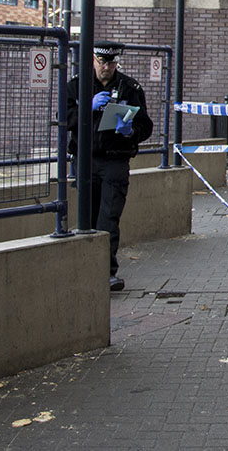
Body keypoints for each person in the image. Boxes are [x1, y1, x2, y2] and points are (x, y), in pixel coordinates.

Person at [66, 41, 154, 292]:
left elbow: (145, 126)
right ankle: (85, 270)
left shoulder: (130, 87)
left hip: (115, 159)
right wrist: (86, 107)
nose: (106, 68)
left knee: (109, 217)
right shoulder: (77, 85)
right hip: (86, 160)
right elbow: (65, 118)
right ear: (93, 60)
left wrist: (129, 131)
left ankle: (106, 273)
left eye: (111, 63)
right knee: (87, 217)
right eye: (102, 62)